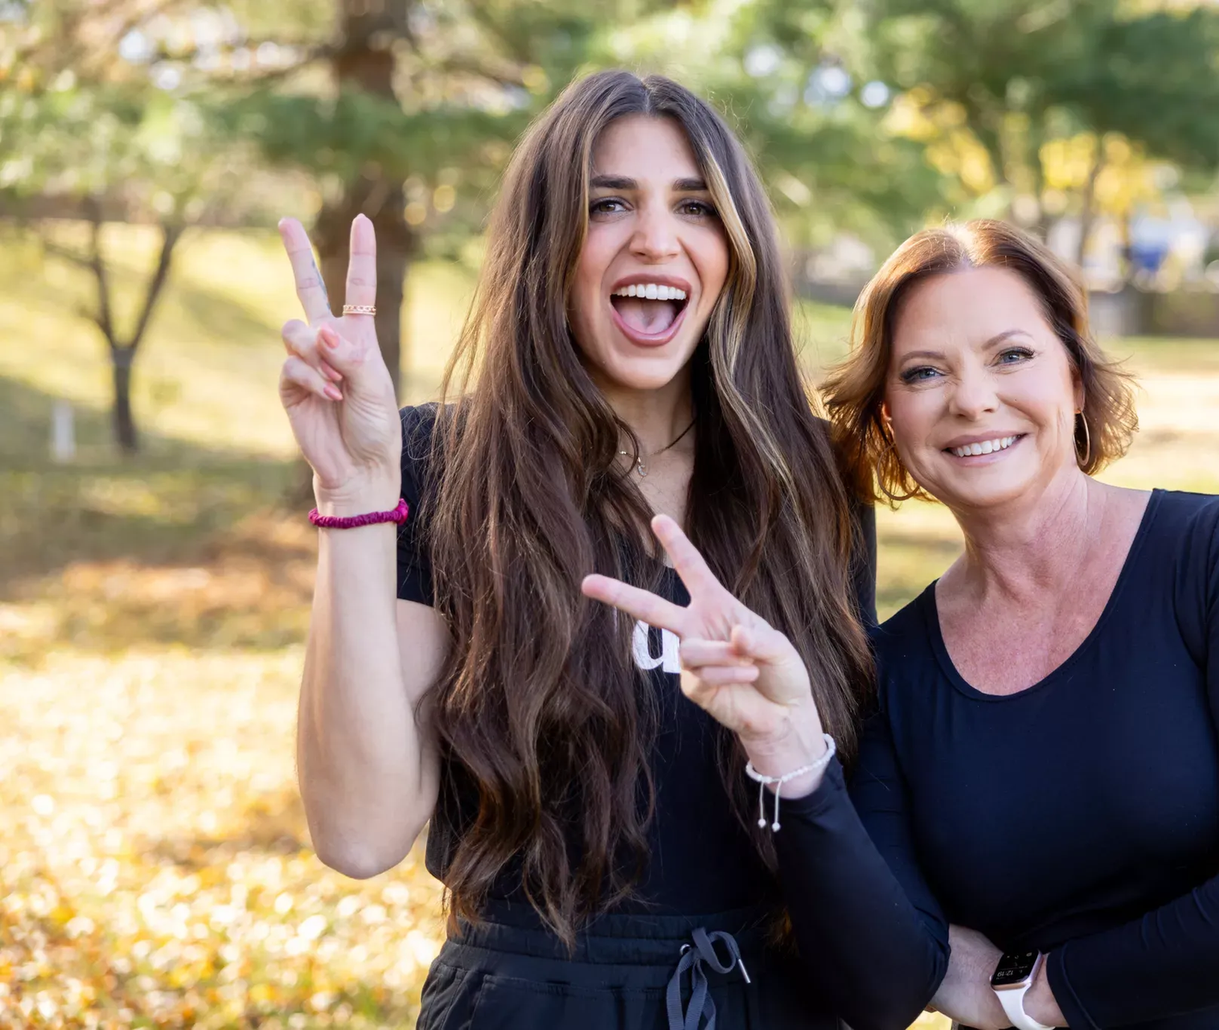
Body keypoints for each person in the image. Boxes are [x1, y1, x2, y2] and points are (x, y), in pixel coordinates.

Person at [584, 219, 1219, 1030]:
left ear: (1074, 377)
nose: (972, 399)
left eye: (1012, 355)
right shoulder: (893, 670)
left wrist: (1040, 993)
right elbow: (885, 985)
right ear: (888, 419)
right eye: (925, 372)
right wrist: (787, 748)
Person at [275, 70, 876, 1030]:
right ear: (546, 248)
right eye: (607, 205)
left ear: (737, 248)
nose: (655, 237)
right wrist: (355, 499)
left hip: (778, 1001)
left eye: (694, 205)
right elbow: (358, 832)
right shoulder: (443, 464)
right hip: (530, 1003)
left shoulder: (808, 483)